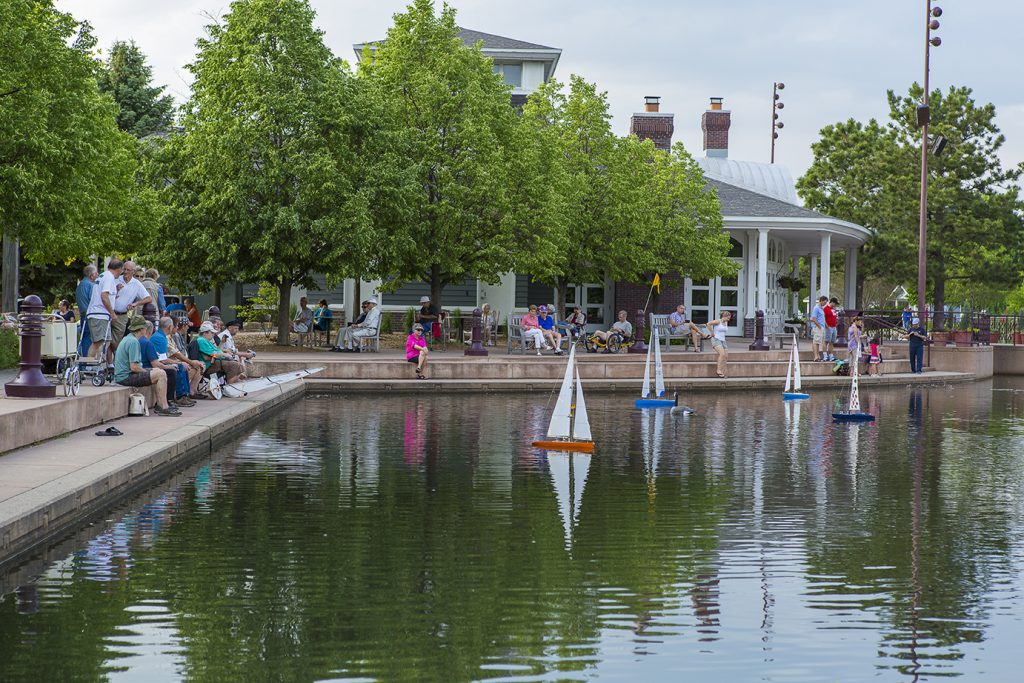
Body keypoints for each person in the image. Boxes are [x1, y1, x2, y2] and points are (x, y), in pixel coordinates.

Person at [112, 316, 179, 416]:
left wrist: (150, 371)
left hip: (122, 375)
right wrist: (147, 372)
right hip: (125, 377)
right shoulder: (134, 342)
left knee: (157, 372)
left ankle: (161, 405)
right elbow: (134, 367)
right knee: (160, 374)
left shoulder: (128, 338)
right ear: (142, 329)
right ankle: (163, 407)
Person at [140, 320, 193, 409]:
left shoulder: (160, 336)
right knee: (174, 370)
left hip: (152, 365)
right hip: (149, 367)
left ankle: (185, 395)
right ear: (169, 327)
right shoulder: (159, 338)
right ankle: (175, 398)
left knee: (178, 366)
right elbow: (162, 360)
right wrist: (176, 364)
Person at [156, 316, 205, 399]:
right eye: (176, 326)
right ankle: (180, 396)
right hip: (165, 364)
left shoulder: (166, 337)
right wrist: (187, 362)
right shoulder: (163, 337)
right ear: (170, 327)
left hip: (169, 362)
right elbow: (172, 356)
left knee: (188, 365)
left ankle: (187, 393)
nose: (177, 328)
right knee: (181, 367)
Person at [110, 261, 153, 352]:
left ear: (133, 271)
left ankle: (115, 361)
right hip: (109, 312)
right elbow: (106, 295)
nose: (125, 272)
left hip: (122, 315)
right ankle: (110, 363)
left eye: (128, 270)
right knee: (106, 339)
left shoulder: (136, 283)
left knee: (115, 341)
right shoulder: (116, 279)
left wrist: (135, 304)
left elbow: (148, 298)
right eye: (124, 269)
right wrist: (116, 290)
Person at [85, 258, 123, 359]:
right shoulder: (109, 277)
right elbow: (104, 296)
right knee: (102, 343)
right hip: (100, 314)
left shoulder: (103, 275)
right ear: (119, 269)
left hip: (98, 314)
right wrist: (112, 313)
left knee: (99, 342)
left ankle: (90, 366)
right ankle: (96, 366)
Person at [75, 264, 98, 355]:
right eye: (96, 273)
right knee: (90, 338)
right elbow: (95, 300)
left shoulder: (80, 285)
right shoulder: (91, 285)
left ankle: (82, 361)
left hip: (83, 314)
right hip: (90, 314)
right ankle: (87, 361)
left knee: (84, 337)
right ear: (91, 275)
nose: (97, 275)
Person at [707, 310, 732, 378]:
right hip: (716, 339)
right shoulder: (718, 321)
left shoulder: (726, 322)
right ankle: (718, 370)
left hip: (723, 340)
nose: (729, 319)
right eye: (728, 318)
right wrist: (712, 332)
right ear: (724, 316)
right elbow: (708, 323)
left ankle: (723, 371)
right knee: (722, 354)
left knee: (726, 356)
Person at [810, 296, 827, 362]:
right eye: (824, 302)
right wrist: (819, 326)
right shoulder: (816, 308)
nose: (825, 304)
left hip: (822, 327)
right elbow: (813, 318)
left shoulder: (821, 309)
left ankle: (818, 356)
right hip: (817, 327)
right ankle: (816, 356)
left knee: (819, 342)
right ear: (821, 300)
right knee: (816, 341)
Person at [823, 297, 839, 362]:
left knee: (832, 342)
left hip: (834, 326)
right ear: (832, 302)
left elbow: (835, 316)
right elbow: (823, 317)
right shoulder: (826, 308)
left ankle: (831, 355)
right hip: (828, 326)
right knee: (826, 341)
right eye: (835, 303)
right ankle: (825, 355)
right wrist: (826, 325)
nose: (835, 305)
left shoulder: (833, 309)